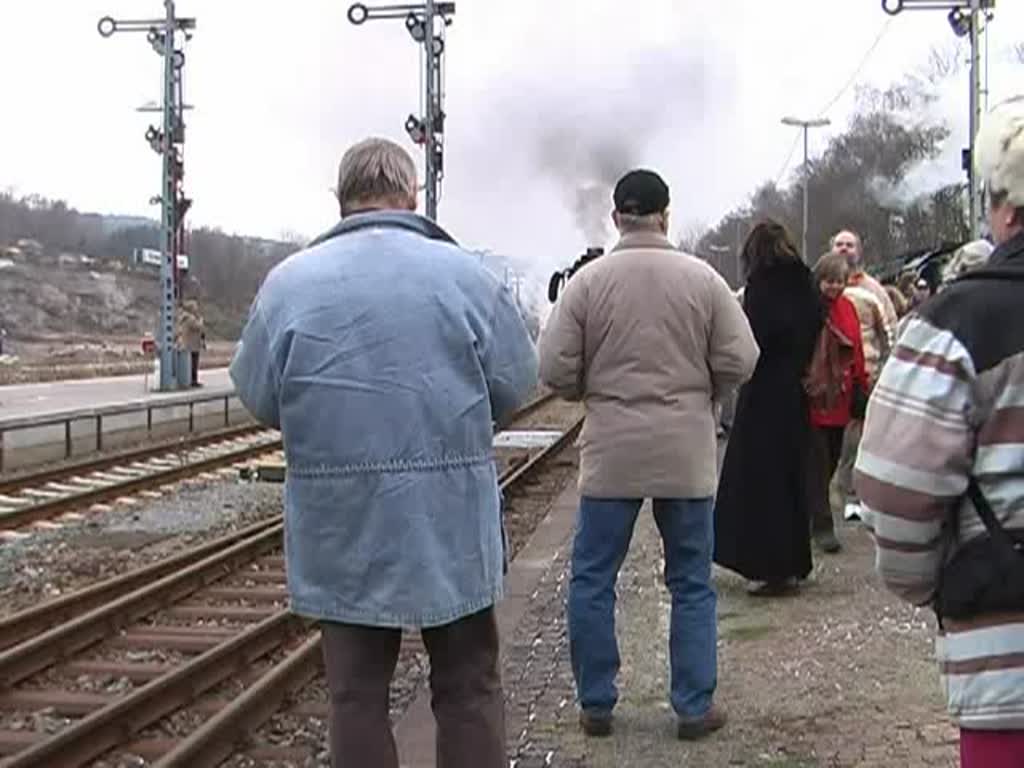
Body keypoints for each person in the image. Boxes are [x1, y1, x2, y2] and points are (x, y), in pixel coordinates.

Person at [229, 137, 538, 768]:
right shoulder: (466, 275)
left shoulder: (288, 284)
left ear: (341, 200)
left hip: (340, 521)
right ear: (412, 195)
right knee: (469, 685)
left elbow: (261, 397)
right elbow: (515, 382)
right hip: (448, 518)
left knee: (356, 696)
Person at [538, 169, 758, 741]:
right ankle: (692, 705)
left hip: (611, 451)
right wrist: (704, 389)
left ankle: (596, 703)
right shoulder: (702, 279)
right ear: (666, 214)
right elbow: (742, 358)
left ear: (617, 218)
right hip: (684, 450)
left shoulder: (588, 284)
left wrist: (595, 387)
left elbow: (554, 370)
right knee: (689, 580)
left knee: (592, 578)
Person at [855, 96, 1024, 768]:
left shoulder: (962, 322)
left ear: (1005, 207)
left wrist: (936, 581)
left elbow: (895, 490)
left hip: (1009, 665)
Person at [714, 220, 822, 596]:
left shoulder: (760, 286)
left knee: (757, 479)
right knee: (791, 475)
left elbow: (751, 337)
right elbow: (814, 326)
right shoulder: (805, 281)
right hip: (794, 389)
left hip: (762, 390)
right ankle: (793, 561)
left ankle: (763, 562)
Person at [804, 252, 868, 554]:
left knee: (830, 459)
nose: (834, 286)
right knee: (817, 462)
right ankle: (821, 524)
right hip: (816, 397)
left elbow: (856, 350)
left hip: (841, 397)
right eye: (829, 281)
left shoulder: (848, 309)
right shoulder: (811, 310)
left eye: (840, 281)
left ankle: (809, 514)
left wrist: (860, 387)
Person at [829, 230, 894, 521]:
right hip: (829, 381)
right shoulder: (821, 287)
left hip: (867, 378)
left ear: (859, 250)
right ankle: (830, 496)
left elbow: (889, 331)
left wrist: (889, 370)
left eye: (850, 244)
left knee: (861, 441)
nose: (844, 249)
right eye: (839, 245)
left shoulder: (873, 290)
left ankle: (856, 497)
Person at [177, 299, 205, 387]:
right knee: (193, 363)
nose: (197, 308)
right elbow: (198, 327)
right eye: (195, 307)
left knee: (189, 363)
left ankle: (188, 379)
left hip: (187, 343)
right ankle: (193, 380)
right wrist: (201, 320)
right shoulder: (191, 318)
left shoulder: (184, 317)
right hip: (192, 344)